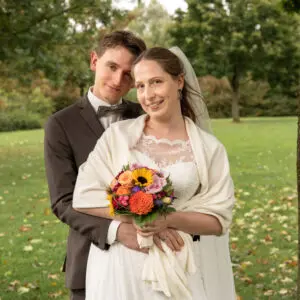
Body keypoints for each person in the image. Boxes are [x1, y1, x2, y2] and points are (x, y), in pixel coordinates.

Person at [73, 47, 236, 299]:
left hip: (180, 264)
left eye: (156, 82)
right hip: (120, 266)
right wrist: (138, 217)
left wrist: (167, 220)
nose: (148, 95)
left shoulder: (209, 149)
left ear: (179, 81)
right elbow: (83, 196)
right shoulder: (117, 137)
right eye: (140, 86)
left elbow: (218, 221)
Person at [44, 30, 148, 300]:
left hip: (146, 258)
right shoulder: (60, 124)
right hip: (89, 258)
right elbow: (63, 200)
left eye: (128, 74)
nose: (117, 80)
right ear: (94, 61)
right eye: (111, 67)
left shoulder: (145, 117)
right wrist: (116, 230)